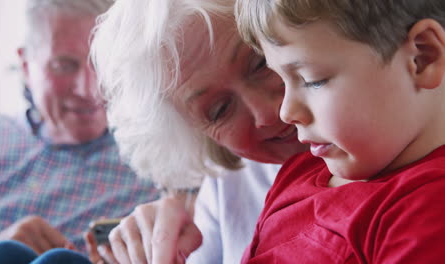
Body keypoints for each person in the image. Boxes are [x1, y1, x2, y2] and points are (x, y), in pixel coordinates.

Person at [89, 0, 308, 263]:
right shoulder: (229, 185)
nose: (267, 113)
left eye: (260, 63)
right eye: (220, 110)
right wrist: (165, 253)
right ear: (195, 134)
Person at [234, 0, 445, 262]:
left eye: (313, 80)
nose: (286, 112)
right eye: (281, 79)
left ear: (423, 57)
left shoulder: (429, 208)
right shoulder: (297, 172)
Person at [0, 0, 160, 258]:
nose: (89, 89)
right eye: (64, 65)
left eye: (102, 62)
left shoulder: (162, 157)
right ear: (26, 66)